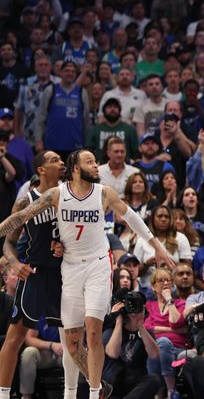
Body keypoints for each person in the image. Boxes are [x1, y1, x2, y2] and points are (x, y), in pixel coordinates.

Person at [0, 149, 175, 399]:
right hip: (53, 270)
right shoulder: (47, 197)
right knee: (54, 339)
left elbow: (130, 216)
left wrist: (156, 245)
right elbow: (16, 224)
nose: (96, 166)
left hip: (83, 266)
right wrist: (14, 257)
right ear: (72, 167)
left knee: (86, 334)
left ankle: (90, 391)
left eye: (95, 162)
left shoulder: (96, 192)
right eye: (90, 162)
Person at [0, 150, 107, 399]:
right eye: (55, 160)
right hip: (35, 272)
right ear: (40, 169)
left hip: (66, 273)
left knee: (73, 341)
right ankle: (3, 394)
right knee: (15, 337)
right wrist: (14, 263)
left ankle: (88, 389)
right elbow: (9, 241)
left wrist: (64, 246)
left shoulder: (72, 194)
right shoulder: (28, 199)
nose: (61, 163)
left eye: (62, 160)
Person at [103, 290, 162, 399]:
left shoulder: (146, 333)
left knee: (154, 380)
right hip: (113, 386)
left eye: (137, 305)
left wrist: (140, 325)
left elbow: (155, 355)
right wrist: (118, 321)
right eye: (130, 306)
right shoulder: (110, 331)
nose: (133, 310)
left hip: (136, 386)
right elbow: (113, 353)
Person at [144, 267, 189, 398]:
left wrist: (169, 300)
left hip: (177, 348)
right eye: (161, 280)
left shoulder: (180, 304)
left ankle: (164, 392)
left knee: (163, 344)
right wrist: (174, 330)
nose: (165, 283)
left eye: (168, 280)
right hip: (154, 347)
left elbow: (176, 322)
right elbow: (148, 329)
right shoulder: (148, 306)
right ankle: (170, 391)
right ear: (153, 286)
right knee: (161, 344)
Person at [33, 61, 90, 160]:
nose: (70, 73)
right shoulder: (51, 90)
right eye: (67, 70)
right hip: (52, 144)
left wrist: (87, 144)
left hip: (75, 144)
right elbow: (40, 117)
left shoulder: (82, 92)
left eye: (73, 71)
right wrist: (38, 140)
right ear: (60, 72)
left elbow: (86, 121)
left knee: (72, 175)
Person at [86, 98, 138, 163]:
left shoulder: (129, 129)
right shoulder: (95, 130)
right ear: (104, 111)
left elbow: (136, 153)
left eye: (115, 107)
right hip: (100, 168)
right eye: (109, 107)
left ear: (120, 110)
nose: (112, 109)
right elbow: (88, 151)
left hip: (125, 167)